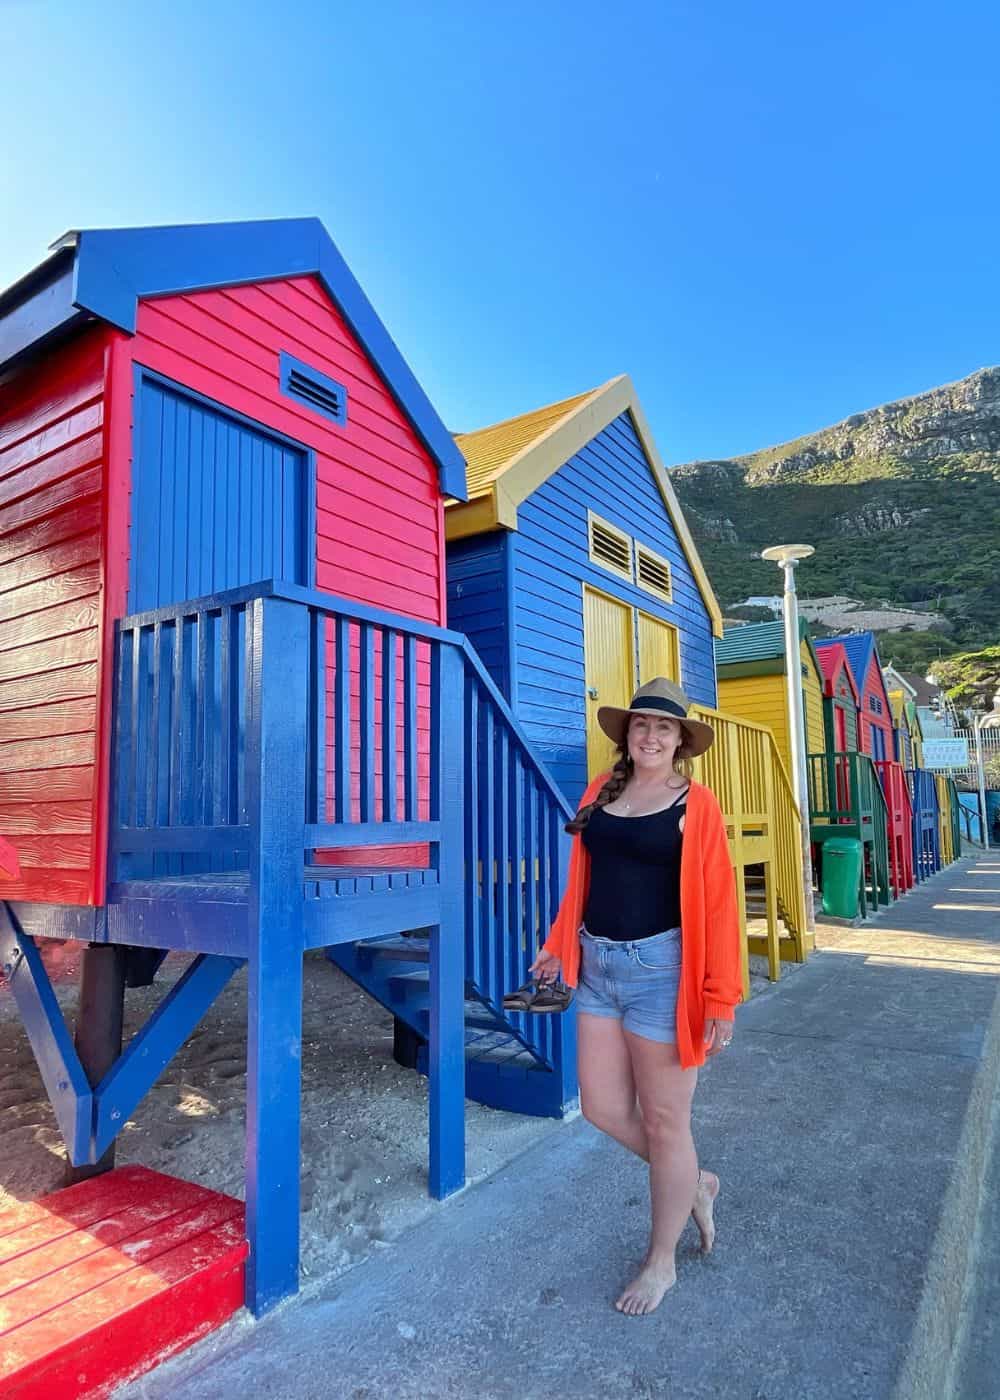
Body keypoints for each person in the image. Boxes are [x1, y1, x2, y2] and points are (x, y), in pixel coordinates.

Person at [530, 677, 742, 1316]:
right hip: (597, 965)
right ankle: (695, 1185)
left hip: (663, 974)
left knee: (665, 1121)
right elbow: (583, 878)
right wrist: (558, 945)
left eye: (664, 728)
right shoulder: (602, 789)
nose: (650, 736)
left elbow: (717, 902)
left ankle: (662, 1261)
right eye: (641, 725)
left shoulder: (694, 804)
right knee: (599, 1106)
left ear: (681, 742)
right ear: (628, 734)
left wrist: (720, 998)